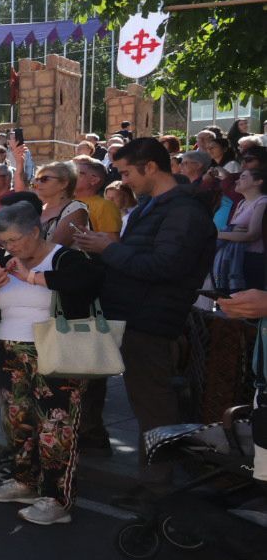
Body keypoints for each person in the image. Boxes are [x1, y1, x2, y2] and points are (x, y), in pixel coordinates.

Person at [72, 137, 216, 498]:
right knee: (141, 400)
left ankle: (156, 489)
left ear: (150, 166)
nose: (123, 181)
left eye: (125, 172)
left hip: (150, 320)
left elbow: (166, 266)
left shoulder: (182, 212)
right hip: (132, 315)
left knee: (154, 406)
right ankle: (149, 480)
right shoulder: (158, 206)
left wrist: (109, 249)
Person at [0, 202, 102, 524]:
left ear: (35, 231)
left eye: (13, 240)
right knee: (17, 419)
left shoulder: (66, 258)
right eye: (3, 243)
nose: (8, 248)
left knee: (56, 425)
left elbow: (85, 283)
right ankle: (24, 481)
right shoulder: (7, 261)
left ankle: (56, 498)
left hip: (55, 349)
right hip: (9, 348)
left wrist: (32, 277)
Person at [213, 165, 266, 293]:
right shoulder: (241, 203)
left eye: (243, 177)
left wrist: (219, 234)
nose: (237, 181)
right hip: (234, 258)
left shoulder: (262, 201)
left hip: (252, 259)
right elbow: (233, 230)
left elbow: (252, 235)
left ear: (258, 182)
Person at [72, 158, 123, 234]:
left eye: (77, 173)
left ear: (94, 180)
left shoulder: (105, 206)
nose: (71, 176)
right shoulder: (63, 200)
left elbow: (110, 242)